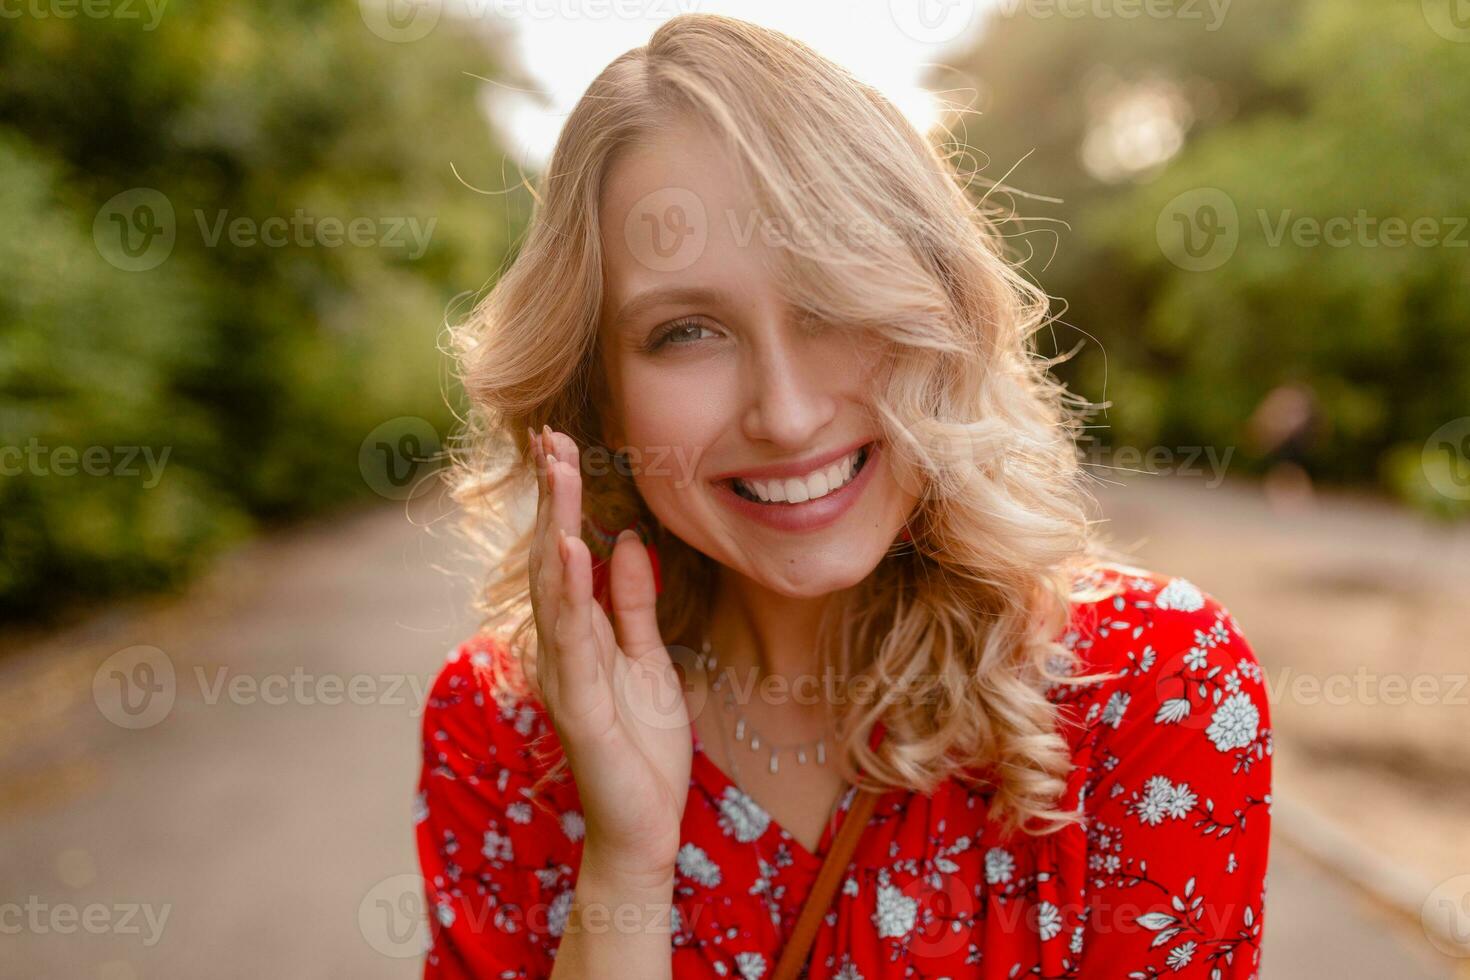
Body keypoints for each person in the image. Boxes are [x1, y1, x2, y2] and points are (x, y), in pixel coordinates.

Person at [415, 14, 1271, 979]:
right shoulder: (502, 728)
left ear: (940, 318)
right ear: (598, 396)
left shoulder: (1149, 689)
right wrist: (622, 877)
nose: (784, 413)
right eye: (687, 332)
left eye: (829, 303)